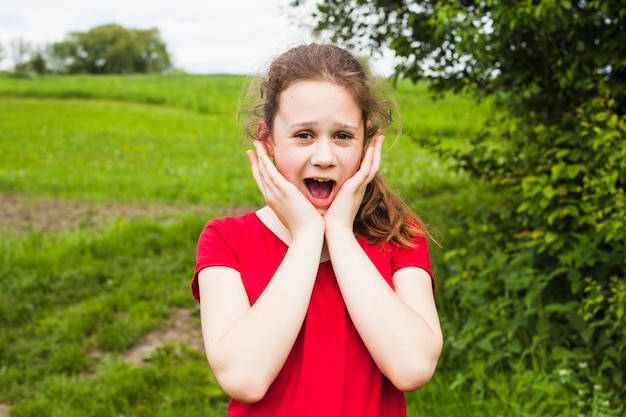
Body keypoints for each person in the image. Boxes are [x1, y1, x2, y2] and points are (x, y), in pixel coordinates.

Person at [191, 43, 443, 417]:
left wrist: (339, 231)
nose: (323, 157)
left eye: (342, 136)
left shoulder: (399, 236)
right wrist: (309, 234)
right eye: (304, 135)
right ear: (267, 140)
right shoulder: (227, 240)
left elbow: (412, 368)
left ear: (367, 141)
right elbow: (244, 378)